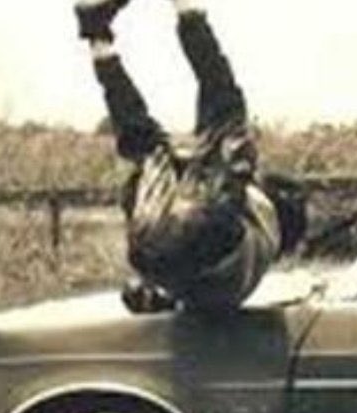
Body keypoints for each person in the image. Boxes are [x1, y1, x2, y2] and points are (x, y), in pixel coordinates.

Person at [74, 0, 306, 313]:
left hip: (206, 229)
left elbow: (235, 182)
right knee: (145, 146)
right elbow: (190, 286)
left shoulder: (267, 219)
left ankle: (183, 10)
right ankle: (98, 39)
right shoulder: (242, 282)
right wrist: (151, 293)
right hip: (150, 247)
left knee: (225, 108)